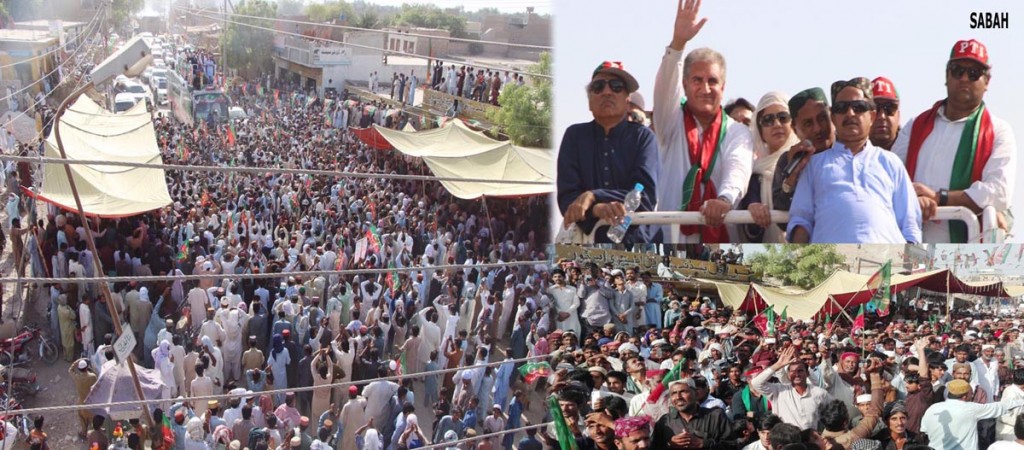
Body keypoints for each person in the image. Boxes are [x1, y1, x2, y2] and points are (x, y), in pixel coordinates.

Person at [891, 39, 1016, 243]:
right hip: (912, 247)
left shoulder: (998, 131)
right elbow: (889, 180)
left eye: (973, 73)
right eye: (958, 71)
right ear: (947, 76)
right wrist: (912, 198)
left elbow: (998, 193)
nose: (964, 78)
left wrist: (939, 198)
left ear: (987, 81)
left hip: (967, 252)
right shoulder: (915, 126)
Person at [652, 0, 753, 243]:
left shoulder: (737, 132)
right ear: (685, 85)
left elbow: (738, 169)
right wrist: (677, 44)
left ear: (723, 87)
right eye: (697, 80)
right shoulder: (670, 120)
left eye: (712, 81)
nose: (705, 89)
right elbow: (665, 89)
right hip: (671, 238)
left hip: (720, 240)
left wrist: (724, 199)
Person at [786, 77, 922, 243]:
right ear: (833, 117)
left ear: (872, 116)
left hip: (886, 256)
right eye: (842, 108)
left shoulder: (890, 162)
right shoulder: (813, 165)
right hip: (831, 257)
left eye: (858, 107)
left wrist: (909, 258)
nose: (850, 113)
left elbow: (910, 224)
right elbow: (801, 220)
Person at [557, 60, 657, 244]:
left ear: (627, 100)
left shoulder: (643, 138)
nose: (607, 92)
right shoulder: (574, 136)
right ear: (589, 102)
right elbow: (567, 199)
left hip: (635, 245)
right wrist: (598, 209)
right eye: (598, 87)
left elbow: (644, 198)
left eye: (616, 86)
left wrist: (593, 196)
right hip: (586, 245)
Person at [738, 92, 799, 243]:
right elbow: (750, 233)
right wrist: (754, 210)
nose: (777, 124)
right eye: (768, 120)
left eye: (783, 117)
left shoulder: (805, 162)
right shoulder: (753, 174)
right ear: (760, 131)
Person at [771, 88, 835, 219]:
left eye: (822, 118)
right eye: (808, 123)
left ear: (832, 116)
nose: (817, 129)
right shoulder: (789, 161)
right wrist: (792, 179)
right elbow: (782, 216)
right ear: (795, 129)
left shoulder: (850, 150)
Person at [920, 379, 1023, 450]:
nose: (972, 395)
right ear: (965, 396)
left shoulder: (932, 408)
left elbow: (924, 430)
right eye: (971, 393)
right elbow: (999, 407)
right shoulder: (970, 408)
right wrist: (1021, 401)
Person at [751, 345, 833, 430]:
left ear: (807, 373)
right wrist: (779, 364)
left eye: (800, 371)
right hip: (785, 437)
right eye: (793, 371)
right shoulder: (779, 391)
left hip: (811, 437)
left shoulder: (819, 393)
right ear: (788, 375)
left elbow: (834, 409)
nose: (796, 374)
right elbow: (756, 383)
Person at [650, 378, 734, 449]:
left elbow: (733, 445)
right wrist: (670, 444)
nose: (678, 397)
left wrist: (704, 443)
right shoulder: (664, 422)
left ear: (696, 394)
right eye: (674, 393)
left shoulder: (716, 416)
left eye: (683, 392)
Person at [868, 77, 901, 150]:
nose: (882, 116)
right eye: (875, 108)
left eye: (890, 108)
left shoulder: (914, 150)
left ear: (898, 116)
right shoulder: (847, 152)